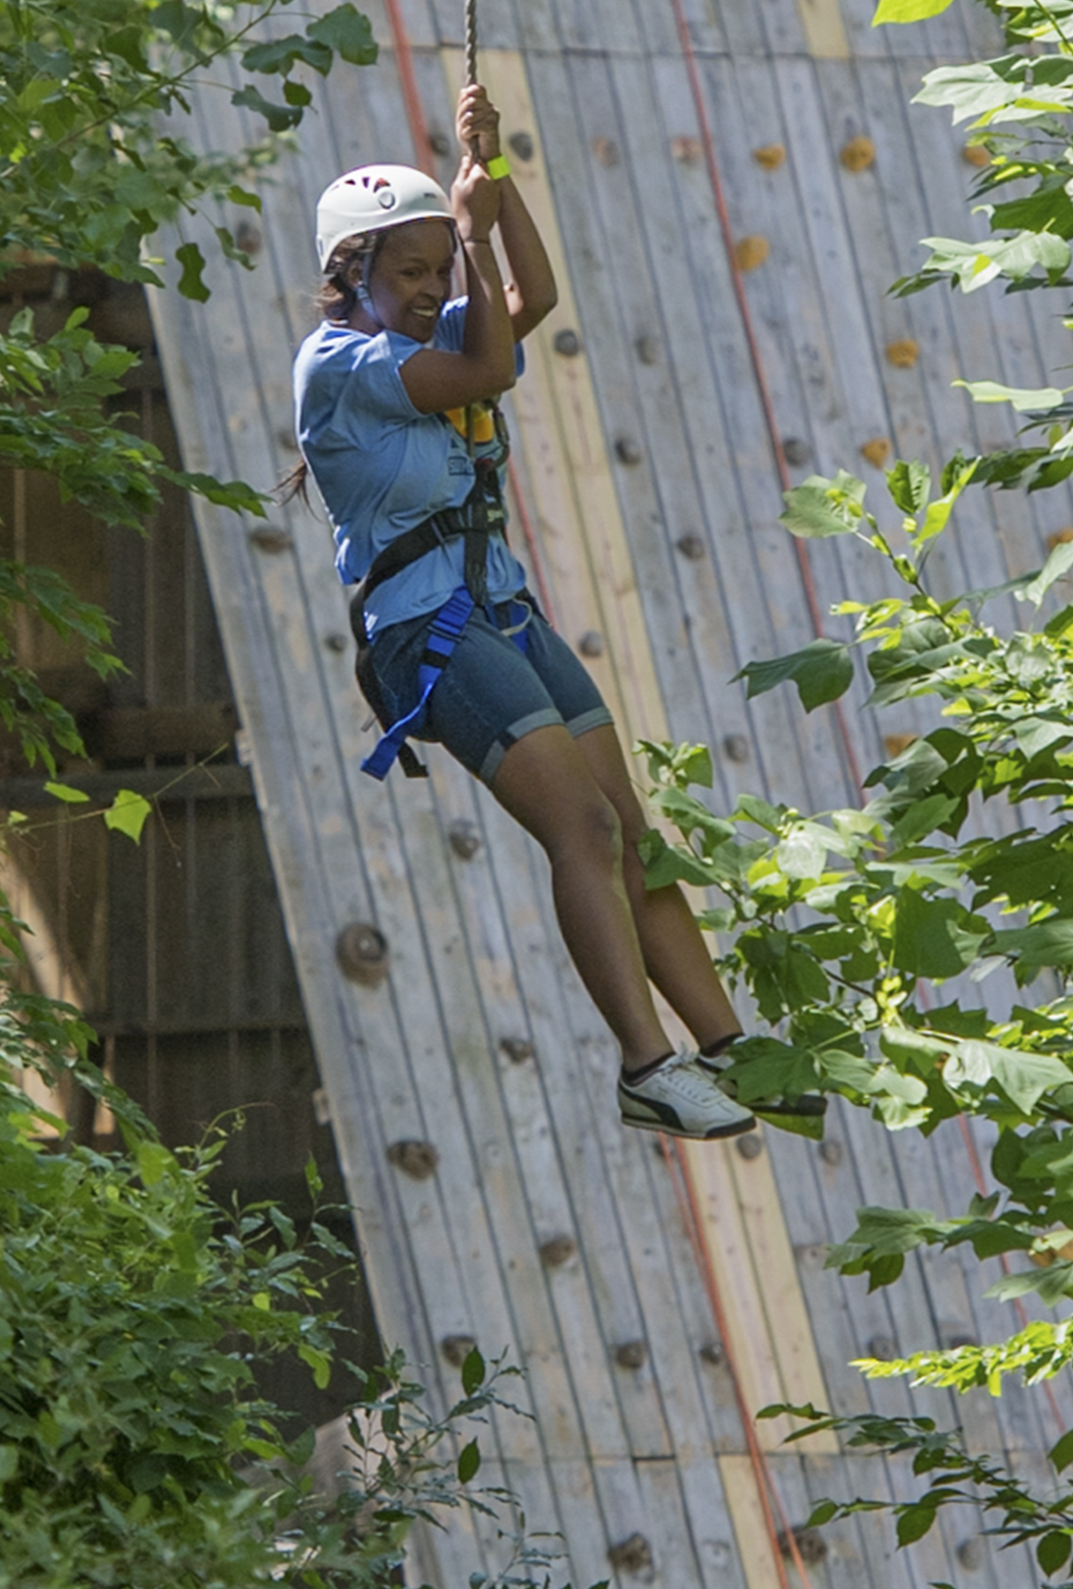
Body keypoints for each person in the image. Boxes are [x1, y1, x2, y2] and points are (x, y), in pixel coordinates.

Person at [292, 84, 824, 1142]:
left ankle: (730, 1047)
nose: (435, 286)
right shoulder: (345, 364)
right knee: (579, 826)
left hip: (501, 604)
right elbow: (490, 357)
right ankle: (645, 1065)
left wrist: (497, 186)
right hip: (424, 632)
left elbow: (531, 297)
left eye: (440, 269)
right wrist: (472, 235)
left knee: (633, 834)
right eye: (412, 271)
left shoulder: (425, 335)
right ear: (350, 273)